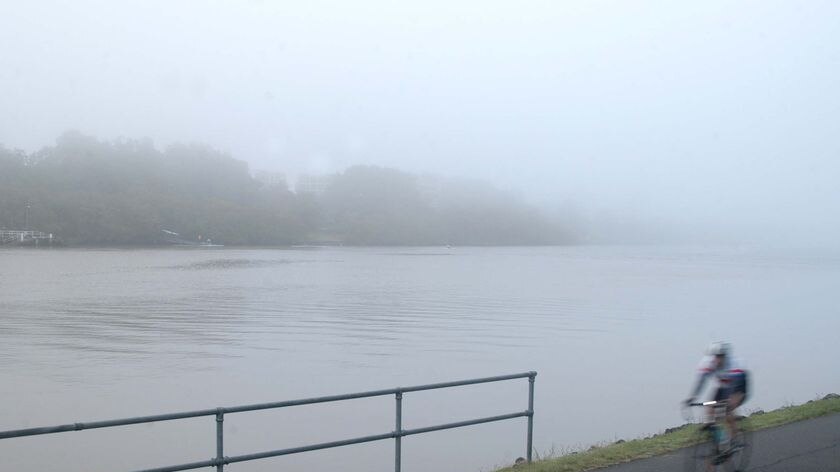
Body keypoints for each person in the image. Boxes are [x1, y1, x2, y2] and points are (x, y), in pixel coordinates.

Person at [685, 341, 749, 448]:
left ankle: (735, 440)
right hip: (723, 386)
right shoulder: (708, 363)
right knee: (709, 406)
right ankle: (719, 438)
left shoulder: (734, 363)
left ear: (725, 356)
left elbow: (737, 385)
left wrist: (731, 401)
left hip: (739, 385)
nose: (717, 359)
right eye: (715, 356)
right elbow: (701, 382)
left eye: (720, 356)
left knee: (728, 410)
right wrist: (693, 397)